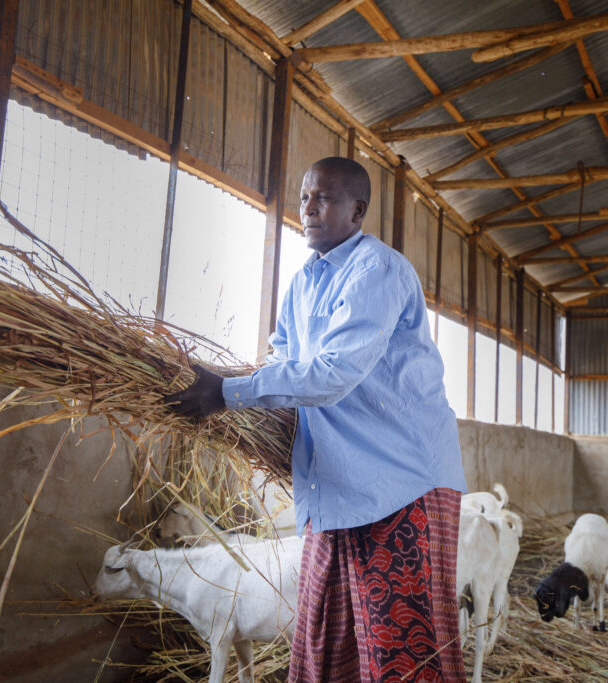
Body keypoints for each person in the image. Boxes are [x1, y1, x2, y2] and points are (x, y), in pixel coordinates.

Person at [165, 156, 467, 682]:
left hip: (400, 483)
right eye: (304, 196)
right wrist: (234, 395)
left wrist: (228, 393)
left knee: (399, 646)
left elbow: (330, 375)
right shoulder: (304, 282)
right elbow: (283, 359)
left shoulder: (378, 271)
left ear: (357, 210)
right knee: (325, 639)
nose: (307, 207)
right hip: (338, 486)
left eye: (323, 198)